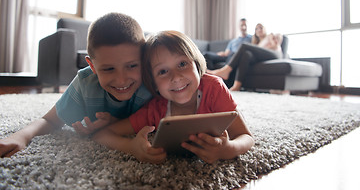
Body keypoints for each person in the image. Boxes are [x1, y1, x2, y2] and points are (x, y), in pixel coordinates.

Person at [0, 12, 152, 158]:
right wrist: (21, 136)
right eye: (108, 69)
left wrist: (113, 123)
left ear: (144, 59)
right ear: (92, 67)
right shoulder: (86, 83)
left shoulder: (153, 80)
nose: (121, 80)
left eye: (132, 66)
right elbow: (50, 120)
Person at [92, 30, 255, 164]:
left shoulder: (214, 88)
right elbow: (103, 134)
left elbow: (246, 137)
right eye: (162, 71)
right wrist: (132, 147)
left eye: (182, 64)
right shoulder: (155, 109)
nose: (176, 77)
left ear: (196, 64)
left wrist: (227, 149)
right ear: (153, 83)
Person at [208, 23, 283, 91]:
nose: (259, 30)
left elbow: (278, 41)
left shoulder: (270, 36)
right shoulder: (257, 42)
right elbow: (258, 51)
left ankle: (226, 70)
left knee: (244, 45)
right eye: (256, 29)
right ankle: (237, 85)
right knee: (246, 54)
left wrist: (273, 40)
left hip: (275, 54)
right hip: (262, 56)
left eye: (261, 27)